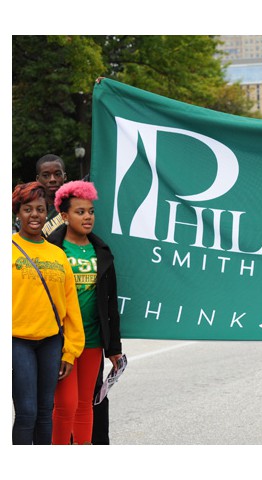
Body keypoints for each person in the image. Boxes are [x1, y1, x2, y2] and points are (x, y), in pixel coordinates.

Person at [48, 180, 123, 445]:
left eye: (90, 211)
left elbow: (111, 303)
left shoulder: (101, 251)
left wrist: (114, 346)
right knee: (64, 406)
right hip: (61, 342)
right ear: (64, 216)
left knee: (85, 404)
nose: (88, 217)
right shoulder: (52, 250)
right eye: (80, 212)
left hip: (92, 340)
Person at [12, 182, 84, 444]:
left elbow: (70, 306)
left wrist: (70, 350)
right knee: (27, 413)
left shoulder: (58, 254)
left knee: (45, 412)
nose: (34, 215)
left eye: (40, 209)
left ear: (47, 213)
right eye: (27, 209)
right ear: (17, 213)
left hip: (51, 342)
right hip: (17, 341)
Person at [35, 153, 68, 237]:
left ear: (65, 177)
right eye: (46, 175)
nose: (52, 179)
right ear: (38, 179)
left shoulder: (75, 205)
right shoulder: (32, 210)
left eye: (57, 174)